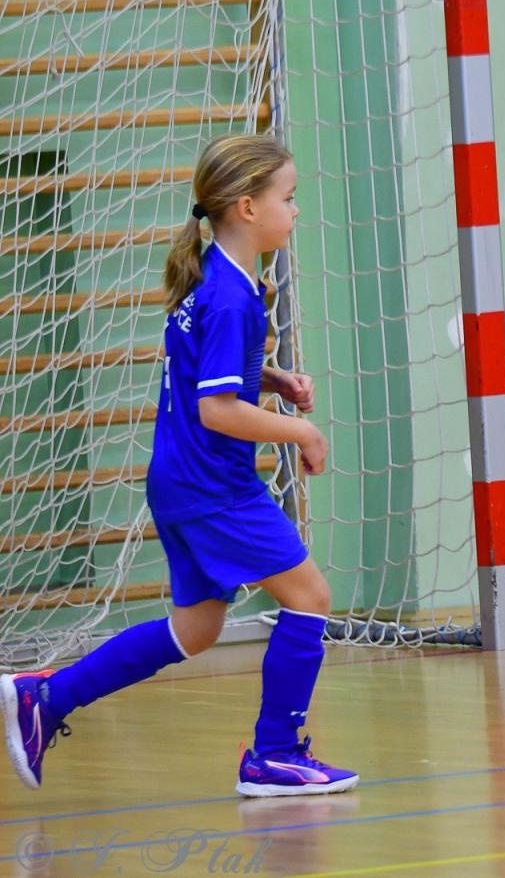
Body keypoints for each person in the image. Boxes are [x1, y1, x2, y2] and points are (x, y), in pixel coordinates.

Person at [0, 135, 357, 797]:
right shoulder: (229, 296)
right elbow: (217, 411)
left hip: (182, 482)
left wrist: (271, 379)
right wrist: (299, 428)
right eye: (289, 197)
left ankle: (45, 699)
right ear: (248, 207)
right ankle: (274, 755)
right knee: (310, 600)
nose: (296, 210)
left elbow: (207, 374)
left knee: (197, 628)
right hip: (214, 487)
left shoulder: (219, 280)